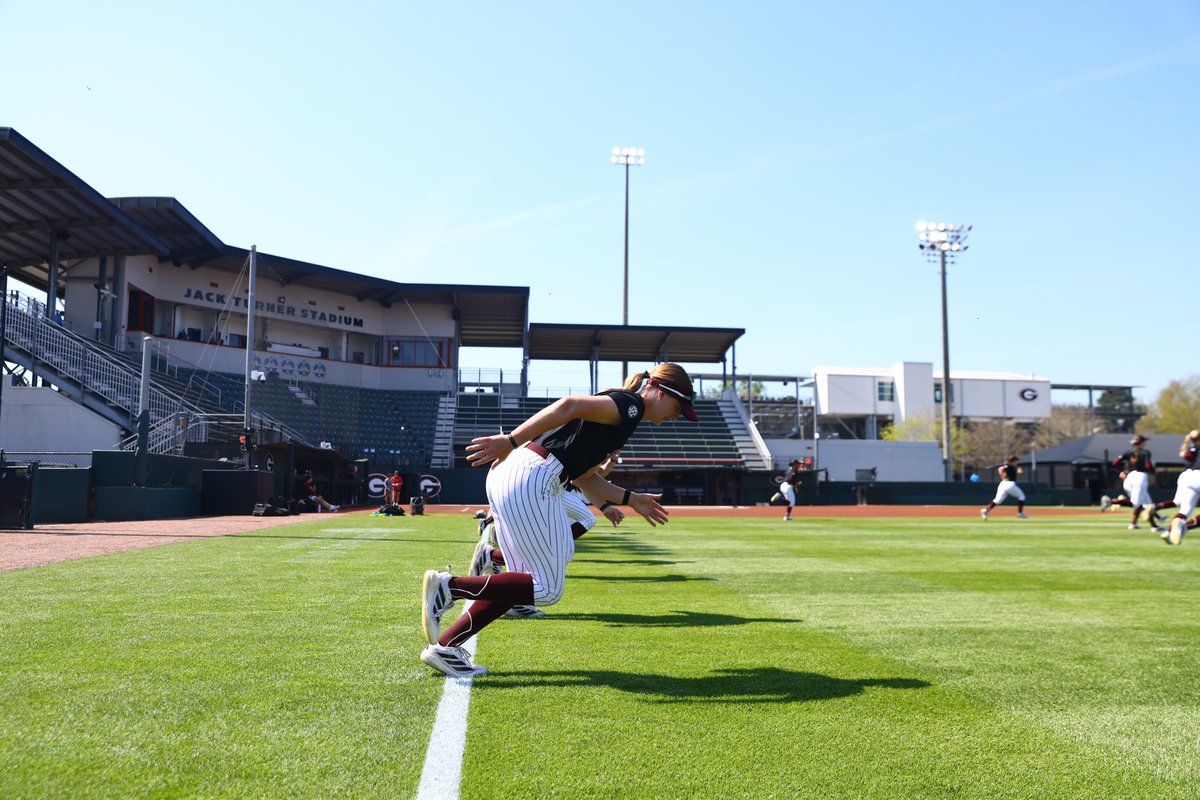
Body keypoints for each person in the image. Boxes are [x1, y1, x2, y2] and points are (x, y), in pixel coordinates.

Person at [418, 363, 697, 678]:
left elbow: (585, 479)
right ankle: (448, 586)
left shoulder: (627, 414)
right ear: (661, 391)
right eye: (679, 407)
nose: (677, 415)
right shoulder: (631, 406)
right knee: (547, 589)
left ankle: (446, 646)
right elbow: (569, 405)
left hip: (522, 472)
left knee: (524, 579)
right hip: (533, 474)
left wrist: (632, 499)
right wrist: (510, 439)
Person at [469, 450, 626, 618]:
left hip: (542, 481)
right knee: (557, 551)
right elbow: (586, 479)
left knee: (561, 550)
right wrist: (609, 504)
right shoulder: (584, 437)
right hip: (547, 484)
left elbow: (592, 477)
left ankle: (496, 567)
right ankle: (460, 582)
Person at [1100, 435, 1158, 530]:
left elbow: (1115, 463)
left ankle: (1152, 526)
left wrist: (1122, 470)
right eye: (1144, 442)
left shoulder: (1128, 452)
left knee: (1145, 503)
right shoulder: (1145, 452)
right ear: (1142, 443)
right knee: (1136, 503)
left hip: (1129, 477)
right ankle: (1111, 501)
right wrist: (1153, 471)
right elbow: (1148, 466)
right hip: (1140, 477)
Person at [1165, 430, 1200, 545]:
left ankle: (1168, 532)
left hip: (1188, 476)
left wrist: (1187, 439)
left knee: (1184, 511)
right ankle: (1183, 527)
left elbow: (1182, 454)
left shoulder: (1192, 446)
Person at [980, 455, 1028, 519]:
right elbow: (1000, 468)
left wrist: (1005, 477)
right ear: (1013, 460)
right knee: (1022, 496)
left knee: (997, 500)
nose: (1017, 462)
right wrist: (1003, 477)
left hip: (1003, 484)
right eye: (1017, 460)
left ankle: (986, 511)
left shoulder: (1011, 466)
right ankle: (1020, 513)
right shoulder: (1009, 465)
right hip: (1009, 484)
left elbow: (1004, 470)